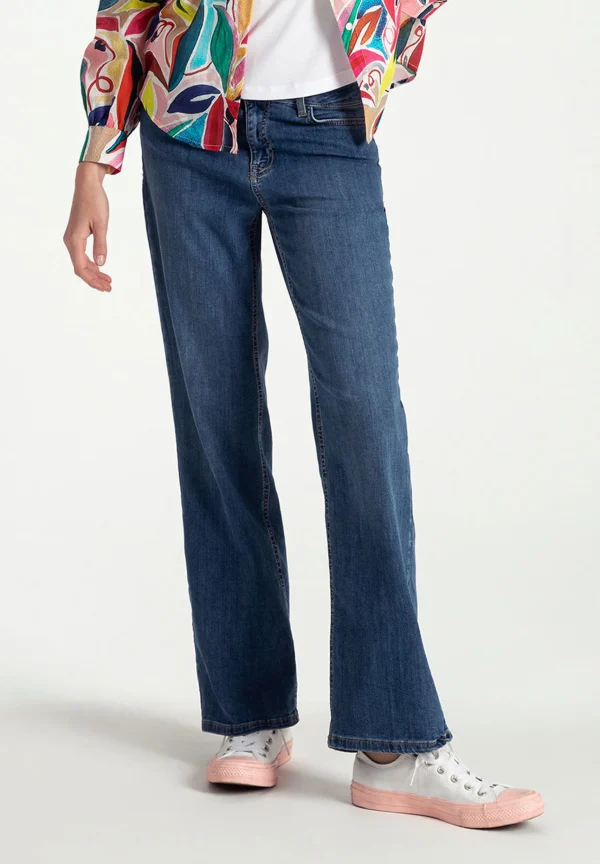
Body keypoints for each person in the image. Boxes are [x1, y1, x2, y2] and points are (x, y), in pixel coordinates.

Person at [64, 0, 544, 829]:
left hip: (328, 125)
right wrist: (94, 158)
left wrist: (386, 51)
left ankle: (392, 743)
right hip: (187, 126)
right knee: (215, 420)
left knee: (364, 420)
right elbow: (127, 6)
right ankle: (249, 714)